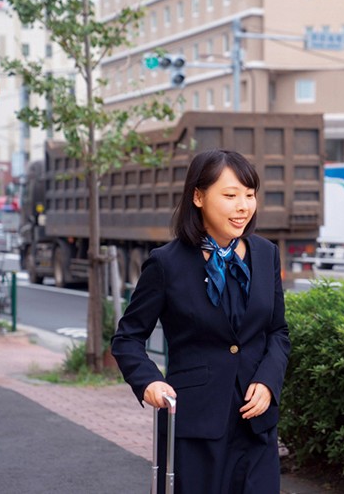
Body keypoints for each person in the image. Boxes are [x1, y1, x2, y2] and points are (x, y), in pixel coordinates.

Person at [111, 149, 291, 493]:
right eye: (230, 195)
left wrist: (269, 381)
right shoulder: (167, 264)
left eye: (249, 195)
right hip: (194, 427)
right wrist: (149, 382)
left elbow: (277, 331)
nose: (243, 206)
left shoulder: (266, 254)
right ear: (198, 196)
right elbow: (127, 339)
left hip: (256, 426)